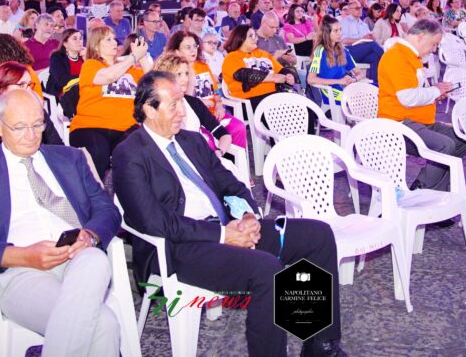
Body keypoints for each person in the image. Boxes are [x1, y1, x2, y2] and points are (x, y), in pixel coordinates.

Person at [113, 72, 346, 357]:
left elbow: (229, 183)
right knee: (266, 270)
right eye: (173, 105)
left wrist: (248, 215)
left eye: (182, 102)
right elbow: (153, 221)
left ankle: (320, 344)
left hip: (226, 227)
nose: (182, 112)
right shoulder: (130, 154)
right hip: (179, 248)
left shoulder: (191, 141)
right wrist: (223, 235)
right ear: (149, 109)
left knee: (317, 235)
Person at [0, 88, 121, 357]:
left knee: (95, 259)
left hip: (79, 261)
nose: (31, 135)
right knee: (105, 324)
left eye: (38, 124)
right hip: (19, 272)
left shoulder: (69, 159)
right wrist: (22, 255)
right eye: (19, 127)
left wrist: (91, 236)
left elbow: (107, 209)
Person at [377, 19, 466, 193]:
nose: (434, 49)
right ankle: (431, 195)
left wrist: (434, 94)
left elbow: (416, 93)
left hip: (417, 120)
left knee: (462, 140)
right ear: (420, 37)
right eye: (434, 44)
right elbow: (408, 98)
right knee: (444, 145)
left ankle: (424, 184)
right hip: (399, 124)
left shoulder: (410, 56)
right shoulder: (397, 56)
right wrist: (435, 91)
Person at [68, 26, 151, 178]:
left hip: (125, 127)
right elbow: (108, 77)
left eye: (114, 38)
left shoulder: (130, 70)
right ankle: (96, 197)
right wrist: (132, 57)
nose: (114, 42)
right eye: (108, 39)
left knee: (136, 152)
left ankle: (125, 197)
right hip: (90, 126)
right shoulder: (90, 65)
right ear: (96, 45)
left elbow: (153, 83)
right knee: (99, 151)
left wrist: (142, 57)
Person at [165, 31, 247, 152]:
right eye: (188, 47)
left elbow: (215, 90)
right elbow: (182, 100)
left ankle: (234, 162)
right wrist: (199, 101)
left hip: (215, 112)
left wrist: (219, 104)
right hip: (197, 118)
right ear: (176, 51)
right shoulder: (175, 72)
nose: (193, 50)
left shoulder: (203, 66)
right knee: (207, 141)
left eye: (195, 46)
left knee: (239, 127)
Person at [0, 62, 64, 157]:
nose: (28, 90)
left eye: (29, 85)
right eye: (22, 85)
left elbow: (59, 150)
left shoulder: (38, 114)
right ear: (2, 89)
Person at [221, 24, 295, 115]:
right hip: (249, 99)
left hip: (273, 95)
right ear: (240, 38)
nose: (255, 38)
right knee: (288, 114)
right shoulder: (231, 57)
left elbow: (281, 70)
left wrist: (288, 76)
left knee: (305, 110)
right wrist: (272, 77)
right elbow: (242, 74)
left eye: (255, 35)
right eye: (251, 36)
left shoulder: (263, 54)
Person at [308, 15, 364, 105]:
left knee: (370, 95)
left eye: (340, 29)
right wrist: (339, 81)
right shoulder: (320, 50)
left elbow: (360, 73)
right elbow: (311, 79)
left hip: (343, 88)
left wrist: (353, 79)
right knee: (356, 101)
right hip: (327, 91)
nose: (340, 33)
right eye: (336, 31)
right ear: (327, 33)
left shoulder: (343, 50)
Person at [337, 2, 383, 81]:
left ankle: (374, 84)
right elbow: (343, 40)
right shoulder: (345, 22)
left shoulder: (363, 24)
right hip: (349, 51)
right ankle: (388, 60)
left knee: (374, 57)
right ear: (350, 10)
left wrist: (372, 38)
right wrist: (361, 39)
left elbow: (369, 40)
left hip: (362, 52)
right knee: (372, 45)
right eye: (357, 8)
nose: (360, 10)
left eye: (360, 8)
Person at [46, 28, 85, 103]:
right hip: (63, 95)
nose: (79, 41)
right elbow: (62, 80)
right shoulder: (57, 57)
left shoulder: (84, 56)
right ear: (65, 44)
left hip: (82, 92)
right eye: (75, 39)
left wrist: (87, 59)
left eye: (80, 38)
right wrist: (84, 77)